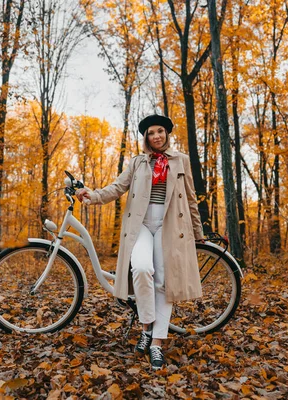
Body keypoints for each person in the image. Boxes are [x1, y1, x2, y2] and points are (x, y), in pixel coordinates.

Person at [76, 114, 204, 370]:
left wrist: (197, 233)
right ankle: (146, 325)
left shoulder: (181, 161)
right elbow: (117, 187)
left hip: (170, 226)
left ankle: (156, 342)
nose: (156, 136)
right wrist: (92, 195)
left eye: (160, 131)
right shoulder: (138, 163)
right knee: (142, 268)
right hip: (142, 224)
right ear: (146, 137)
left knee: (163, 282)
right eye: (151, 132)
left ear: (167, 134)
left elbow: (190, 197)